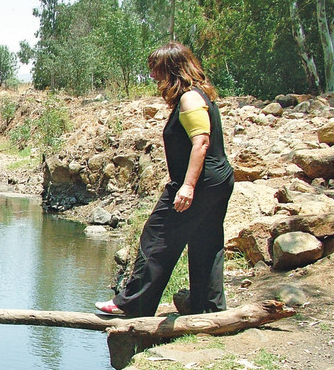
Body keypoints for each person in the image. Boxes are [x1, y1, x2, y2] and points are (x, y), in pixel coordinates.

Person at [95, 41, 234, 318]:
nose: (153, 77)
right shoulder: (200, 95)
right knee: (206, 242)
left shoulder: (190, 98)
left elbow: (201, 143)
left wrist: (188, 186)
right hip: (217, 180)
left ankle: (130, 305)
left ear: (173, 69)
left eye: (156, 70)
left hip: (199, 182)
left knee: (156, 238)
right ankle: (208, 311)